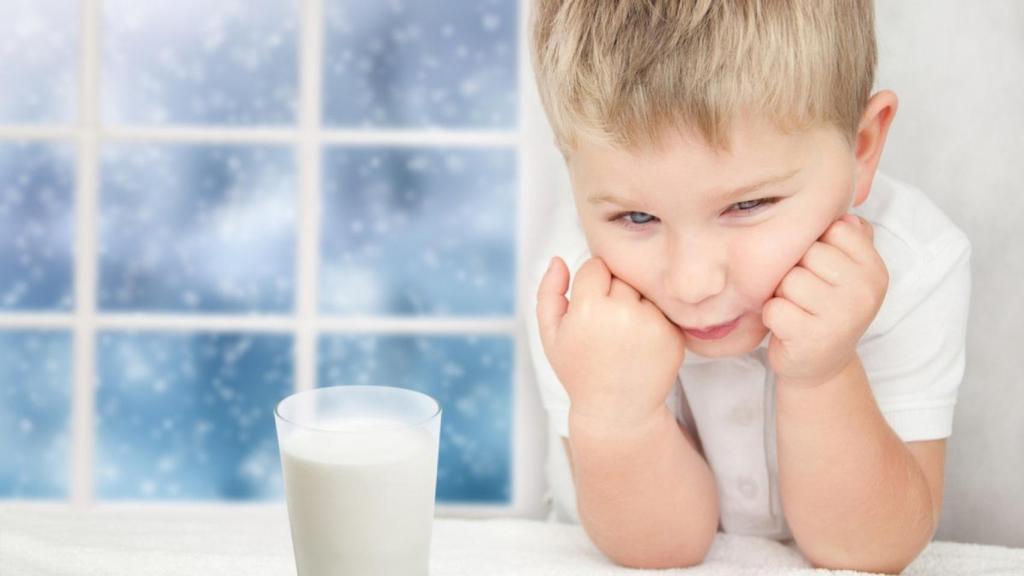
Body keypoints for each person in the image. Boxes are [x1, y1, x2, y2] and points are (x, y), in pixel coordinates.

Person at [525, 1, 972, 573]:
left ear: (861, 148)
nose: (693, 283)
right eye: (636, 218)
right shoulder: (573, 295)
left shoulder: (915, 260)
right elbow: (662, 552)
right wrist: (616, 416)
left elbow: (870, 553)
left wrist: (825, 374)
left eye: (748, 205)